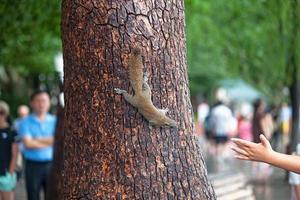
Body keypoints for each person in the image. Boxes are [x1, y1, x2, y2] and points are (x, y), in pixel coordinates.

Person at [19, 91, 56, 200]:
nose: (41, 104)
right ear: (32, 103)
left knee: (52, 196)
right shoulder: (25, 122)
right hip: (32, 166)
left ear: (49, 102)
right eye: (38, 101)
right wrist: (50, 140)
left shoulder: (55, 121)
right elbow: (28, 144)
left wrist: (36, 140)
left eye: (44, 101)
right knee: (33, 196)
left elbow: (58, 142)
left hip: (52, 165)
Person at [0, 101, 18, 200]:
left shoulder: (12, 131)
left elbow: (15, 154)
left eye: (1, 113)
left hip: (6, 172)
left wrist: (10, 173)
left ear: (5, 114)